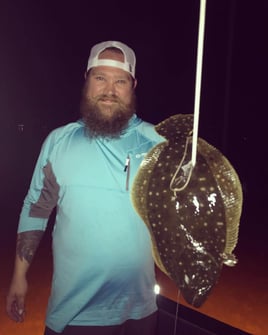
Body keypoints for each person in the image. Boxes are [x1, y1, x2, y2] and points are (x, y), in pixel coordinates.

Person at [6, 41, 165, 335]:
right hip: (75, 313)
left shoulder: (158, 143)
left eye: (120, 81)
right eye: (100, 78)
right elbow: (36, 208)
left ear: (133, 85)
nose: (109, 90)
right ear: (87, 79)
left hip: (139, 310)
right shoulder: (59, 142)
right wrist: (19, 277)